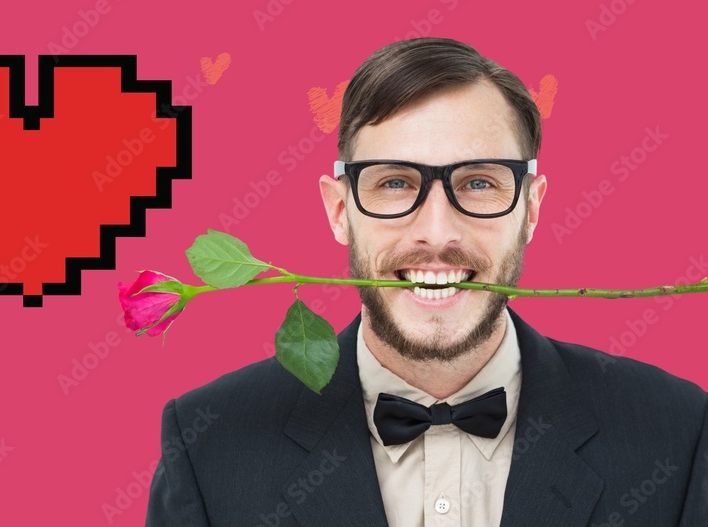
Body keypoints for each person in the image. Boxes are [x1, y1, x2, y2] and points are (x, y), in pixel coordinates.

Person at [144, 37, 707, 527]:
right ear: (339, 211)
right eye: (393, 183)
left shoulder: (677, 435)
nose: (438, 233)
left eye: (480, 183)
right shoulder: (211, 445)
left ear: (531, 209)